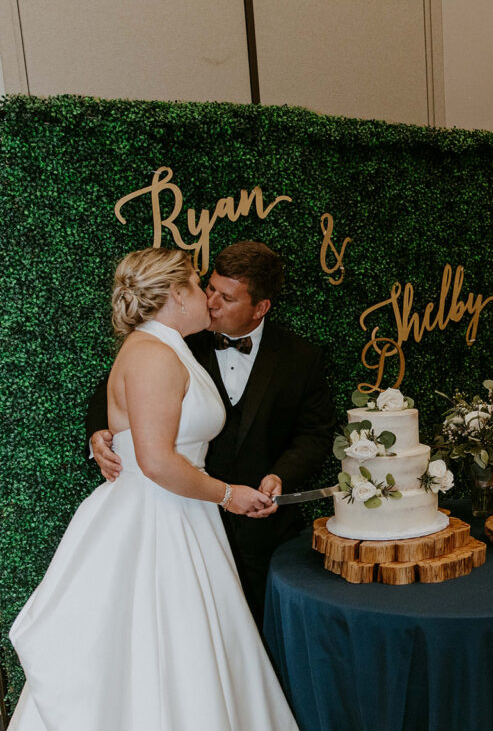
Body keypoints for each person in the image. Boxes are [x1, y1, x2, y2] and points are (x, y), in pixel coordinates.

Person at [0, 247, 344, 731]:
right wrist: (228, 495)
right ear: (172, 295)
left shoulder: (163, 348)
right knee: (154, 675)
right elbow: (157, 461)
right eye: (197, 284)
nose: (207, 296)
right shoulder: (154, 354)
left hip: (179, 529)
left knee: (193, 670)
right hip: (157, 529)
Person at [88, 240, 336, 627]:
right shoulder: (168, 344)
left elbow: (315, 433)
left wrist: (279, 476)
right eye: (206, 288)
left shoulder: (300, 357)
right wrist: (101, 436)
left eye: (227, 297)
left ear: (261, 307)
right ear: (178, 294)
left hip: (253, 527)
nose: (211, 301)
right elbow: (111, 397)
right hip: (172, 513)